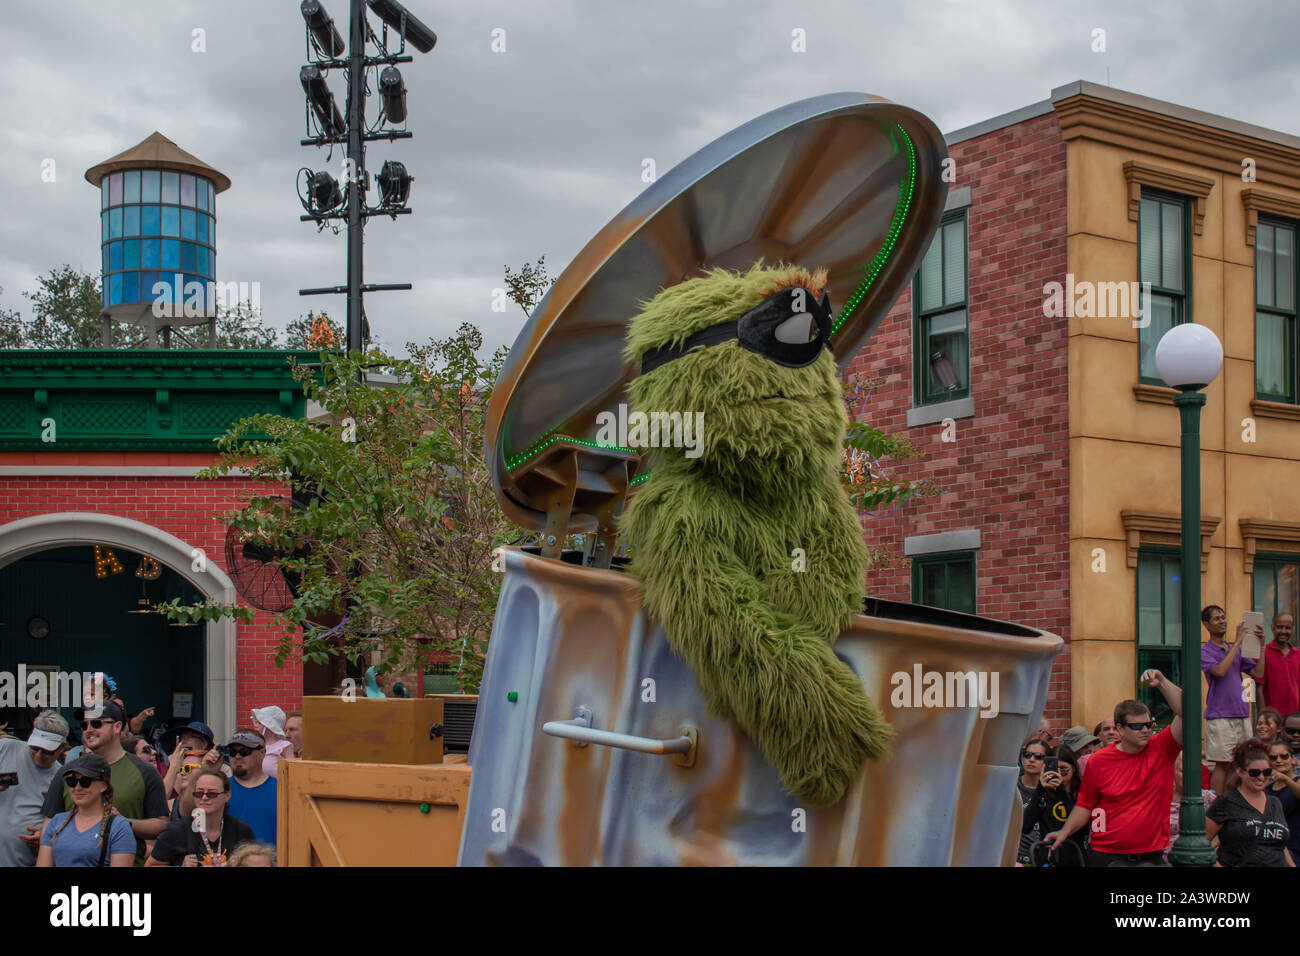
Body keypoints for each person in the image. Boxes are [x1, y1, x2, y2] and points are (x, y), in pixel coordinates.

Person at [1043, 669, 1183, 865]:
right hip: (1107, 854)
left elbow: (1188, 711)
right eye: (1136, 726)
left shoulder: (1162, 747)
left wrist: (1161, 681)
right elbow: (1085, 804)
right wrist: (1064, 832)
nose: (1144, 730)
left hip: (1151, 855)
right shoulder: (1098, 760)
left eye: (1148, 725)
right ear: (1120, 729)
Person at [39, 701, 168, 867]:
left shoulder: (145, 772)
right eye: (84, 725)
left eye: (96, 723)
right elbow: (49, 824)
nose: (88, 729)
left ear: (116, 727)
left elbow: (162, 824)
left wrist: (121, 823)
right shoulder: (67, 773)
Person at [1201, 605, 1265, 794]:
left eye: (1223, 617)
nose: (1223, 621)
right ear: (1206, 624)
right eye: (1217, 619)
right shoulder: (1205, 651)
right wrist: (1237, 643)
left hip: (1242, 713)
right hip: (1219, 715)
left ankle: (1234, 803)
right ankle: (1216, 806)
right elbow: (1219, 671)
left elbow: (1258, 673)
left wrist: (1261, 646)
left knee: (1238, 763)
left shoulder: (1233, 649)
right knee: (1221, 763)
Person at [1206, 738, 1293, 867]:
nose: (1261, 777)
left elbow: (1279, 845)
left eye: (1267, 772)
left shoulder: (1275, 802)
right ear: (1241, 772)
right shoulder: (1227, 801)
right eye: (1254, 772)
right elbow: (1202, 842)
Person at [36, 755, 136, 867]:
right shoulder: (57, 821)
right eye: (72, 781)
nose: (77, 788)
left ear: (103, 786)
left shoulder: (119, 827)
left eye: (85, 781)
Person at [0, 711, 69, 866]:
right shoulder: (5, 748)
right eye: (35, 747)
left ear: (62, 747)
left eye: (47, 751)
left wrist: (46, 836)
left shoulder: (63, 778)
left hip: (24, 860)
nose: (39, 755)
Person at [146, 769, 254, 867]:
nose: (204, 798)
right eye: (199, 793)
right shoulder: (177, 830)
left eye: (211, 794)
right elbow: (151, 865)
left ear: (227, 795)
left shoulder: (240, 830)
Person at [1022, 745, 1085, 865]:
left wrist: (1062, 792)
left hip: (1074, 856)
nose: (1059, 773)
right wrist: (1040, 788)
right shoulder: (1044, 795)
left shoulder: (1081, 794)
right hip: (1047, 857)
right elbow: (1026, 826)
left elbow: (1080, 829)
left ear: (1074, 769)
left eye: (1064, 769)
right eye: (1055, 769)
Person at [225, 730, 278, 845]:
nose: (237, 756)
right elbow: (187, 811)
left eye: (244, 751)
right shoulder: (219, 790)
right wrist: (207, 770)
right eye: (232, 752)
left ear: (262, 752)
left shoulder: (282, 789)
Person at [1165, 751, 1216, 863]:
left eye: (1193, 771)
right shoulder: (1161, 799)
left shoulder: (1208, 798)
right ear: (1173, 771)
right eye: (1183, 771)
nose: (1189, 776)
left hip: (1199, 860)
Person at [1259, 613, 1300, 717]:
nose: (1283, 631)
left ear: (1293, 630)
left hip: (1295, 720)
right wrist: (1263, 718)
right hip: (1273, 720)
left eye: (1287, 628)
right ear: (1272, 628)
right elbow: (1258, 689)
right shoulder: (1264, 653)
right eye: (1279, 627)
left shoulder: (1298, 654)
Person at [1015, 737, 1048, 863]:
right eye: (1027, 755)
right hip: (1017, 857)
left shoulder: (1051, 790)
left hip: (1044, 856)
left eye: (1038, 756)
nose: (1031, 760)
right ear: (1022, 758)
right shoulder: (1013, 786)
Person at [1267, 740, 1300, 864]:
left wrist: (1286, 779)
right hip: (1274, 847)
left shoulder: (1297, 781)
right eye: (1273, 757)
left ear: (1293, 760)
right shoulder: (1266, 789)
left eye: (1284, 756)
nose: (1278, 760)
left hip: (1296, 847)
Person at [251, 706, 294, 776]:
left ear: (269, 726)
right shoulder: (255, 745)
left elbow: (292, 768)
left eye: (259, 723)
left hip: (278, 785)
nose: (256, 726)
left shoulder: (283, 746)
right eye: (256, 722)